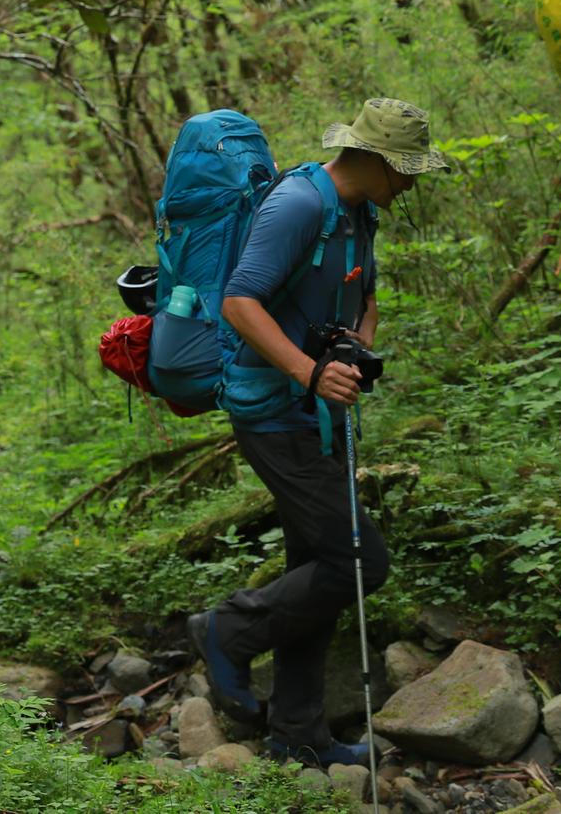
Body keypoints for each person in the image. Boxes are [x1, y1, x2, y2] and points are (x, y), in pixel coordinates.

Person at [189, 98, 449, 768]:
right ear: (376, 159)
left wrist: (355, 348)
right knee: (359, 561)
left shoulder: (361, 215)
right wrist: (311, 374)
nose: (415, 183)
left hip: (314, 414)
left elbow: (365, 301)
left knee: (315, 569)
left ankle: (297, 733)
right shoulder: (299, 205)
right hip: (273, 413)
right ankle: (228, 629)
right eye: (409, 169)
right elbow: (240, 304)